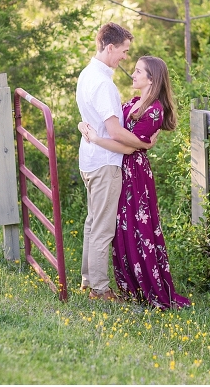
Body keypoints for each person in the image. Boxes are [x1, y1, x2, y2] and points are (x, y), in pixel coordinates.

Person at [80, 56, 190, 310]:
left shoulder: (154, 110)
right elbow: (110, 125)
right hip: (119, 167)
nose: (133, 74)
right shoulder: (132, 102)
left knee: (137, 228)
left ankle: (143, 285)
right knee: (121, 228)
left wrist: (97, 139)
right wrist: (83, 124)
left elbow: (128, 148)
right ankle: (125, 284)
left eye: (139, 71)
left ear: (152, 79)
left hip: (135, 173)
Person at [76, 22, 156, 302]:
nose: (125, 57)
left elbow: (90, 121)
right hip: (105, 163)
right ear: (110, 47)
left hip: (89, 159)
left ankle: (88, 280)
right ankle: (100, 290)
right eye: (124, 51)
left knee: (92, 222)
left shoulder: (86, 74)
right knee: (102, 228)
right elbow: (116, 132)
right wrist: (143, 144)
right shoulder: (103, 85)